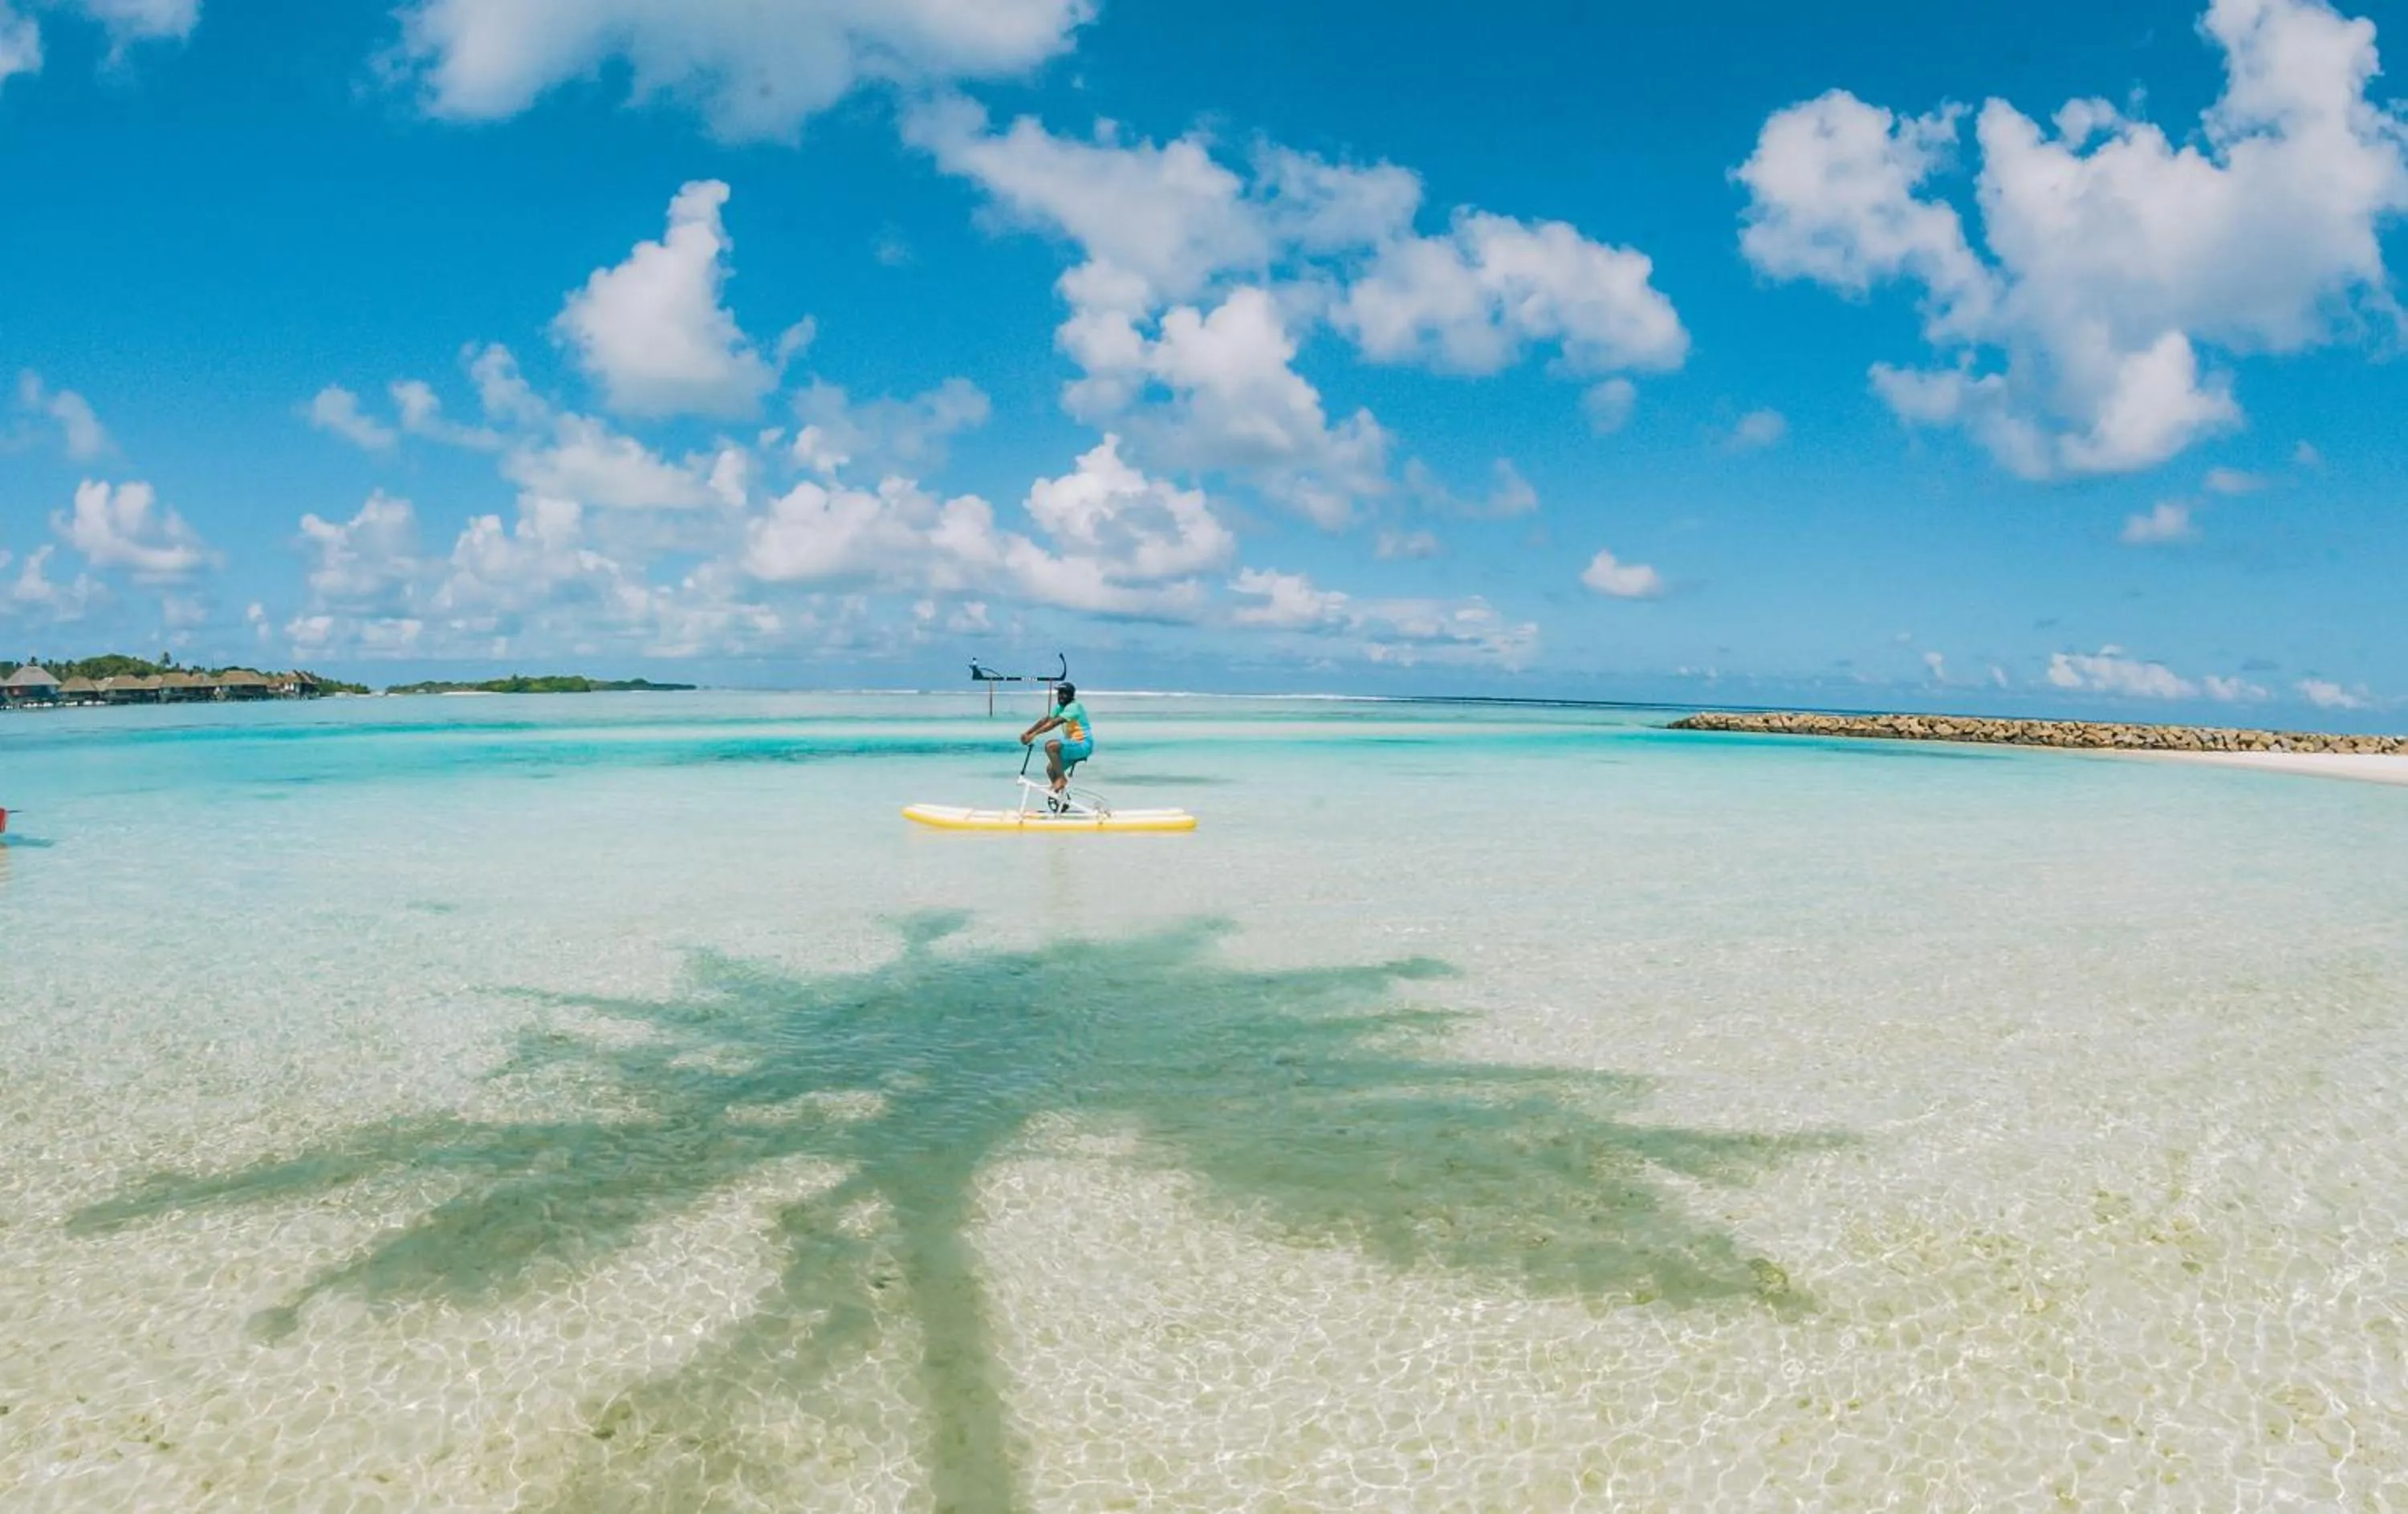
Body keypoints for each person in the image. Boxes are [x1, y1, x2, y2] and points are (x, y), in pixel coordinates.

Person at [1020, 682, 1093, 805]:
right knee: (1051, 769)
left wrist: (1034, 735)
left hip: (1082, 745)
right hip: (1072, 745)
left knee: (1051, 746)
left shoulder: (1074, 707)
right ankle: (1062, 799)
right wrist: (1028, 732)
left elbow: (1055, 723)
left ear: (1069, 695)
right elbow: (1047, 720)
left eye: (1062, 693)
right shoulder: (1060, 707)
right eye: (1059, 693)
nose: (1059, 696)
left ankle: (1062, 779)